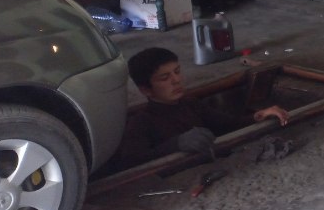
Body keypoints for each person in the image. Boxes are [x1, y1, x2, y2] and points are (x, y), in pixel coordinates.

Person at [105, 47, 289, 169]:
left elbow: (228, 125)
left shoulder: (191, 104)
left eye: (177, 72)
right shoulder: (142, 122)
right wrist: (175, 144)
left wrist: (259, 115)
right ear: (145, 89)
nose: (176, 80)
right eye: (165, 78)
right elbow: (131, 162)